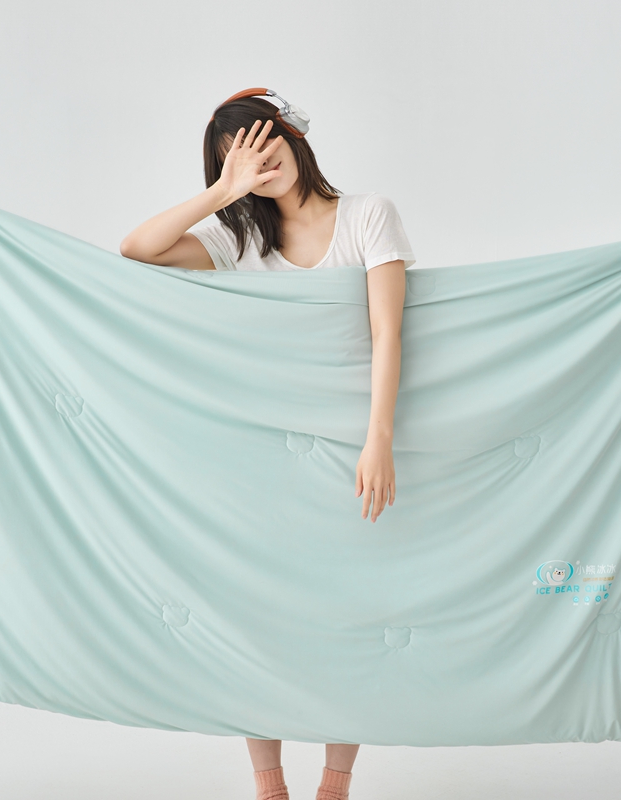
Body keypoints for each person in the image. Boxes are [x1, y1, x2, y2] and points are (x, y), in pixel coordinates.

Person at [120, 89, 417, 800]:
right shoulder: (237, 241)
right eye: (236, 156)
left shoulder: (368, 215)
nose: (258, 160)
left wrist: (378, 439)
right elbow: (137, 249)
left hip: (347, 456)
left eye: (262, 140)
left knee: (349, 619)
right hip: (256, 464)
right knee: (258, 622)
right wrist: (224, 192)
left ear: (291, 135)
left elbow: (387, 334)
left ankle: (335, 785)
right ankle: (269, 787)